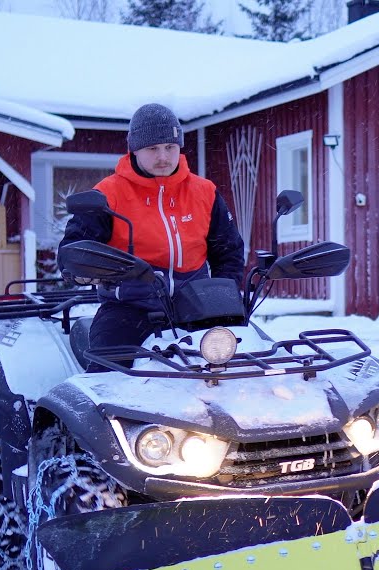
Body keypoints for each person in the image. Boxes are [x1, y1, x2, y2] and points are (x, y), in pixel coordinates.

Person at [60, 103, 245, 370]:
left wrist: (222, 296)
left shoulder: (205, 192)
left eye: (170, 147)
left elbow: (228, 251)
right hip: (130, 309)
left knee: (249, 365)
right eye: (153, 148)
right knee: (106, 374)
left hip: (199, 308)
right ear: (134, 149)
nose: (163, 157)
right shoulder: (108, 194)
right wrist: (84, 268)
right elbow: (74, 248)